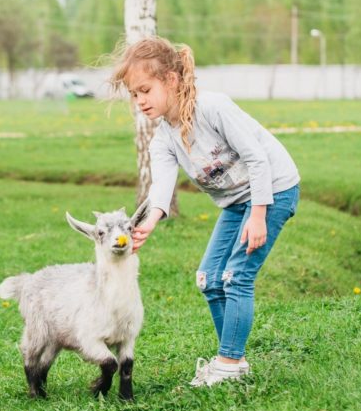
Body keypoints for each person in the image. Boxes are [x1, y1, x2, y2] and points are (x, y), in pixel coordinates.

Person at [112, 36, 300, 387]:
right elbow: (161, 187)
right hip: (235, 202)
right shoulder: (164, 137)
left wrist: (259, 215)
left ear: (171, 79)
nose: (139, 102)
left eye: (145, 90)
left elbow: (257, 158)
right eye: (134, 95)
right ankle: (234, 358)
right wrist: (150, 221)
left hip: (273, 190)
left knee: (235, 277)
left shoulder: (214, 108)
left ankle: (228, 364)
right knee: (209, 279)